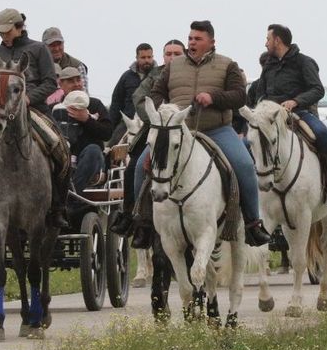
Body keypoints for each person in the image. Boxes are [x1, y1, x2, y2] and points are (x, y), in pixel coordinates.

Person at [144, 20, 270, 247]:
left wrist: (214, 98)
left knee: (243, 165)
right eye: (190, 38)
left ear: (211, 42)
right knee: (140, 166)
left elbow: (240, 96)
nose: (192, 42)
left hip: (216, 129)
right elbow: (156, 92)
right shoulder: (173, 66)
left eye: (197, 39)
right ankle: (141, 223)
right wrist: (161, 113)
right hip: (177, 131)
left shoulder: (228, 65)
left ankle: (252, 224)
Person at [0, 8, 70, 229]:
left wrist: (28, 99)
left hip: (35, 111)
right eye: (0, 32)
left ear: (19, 28)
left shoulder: (38, 49)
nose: (2, 36)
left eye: (6, 31)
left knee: (62, 148)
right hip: (0, 113)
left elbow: (50, 83)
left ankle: (58, 207)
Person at [250, 24, 327, 206]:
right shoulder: (268, 63)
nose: (265, 43)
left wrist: (295, 101)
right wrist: (263, 107)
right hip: (270, 117)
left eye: (268, 39)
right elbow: (260, 92)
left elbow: (317, 89)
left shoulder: (303, 62)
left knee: (324, 136)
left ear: (277, 40)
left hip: (298, 113)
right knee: (248, 142)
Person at [109, 39, 186, 237]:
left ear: (185, 54)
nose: (172, 57)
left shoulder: (193, 72)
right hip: (157, 129)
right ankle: (136, 218)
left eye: (177, 54)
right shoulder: (155, 75)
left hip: (190, 129)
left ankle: (241, 217)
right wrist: (156, 118)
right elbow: (138, 97)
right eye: (168, 54)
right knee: (135, 168)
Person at [53, 88, 113, 194]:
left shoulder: (94, 104)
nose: (76, 84)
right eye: (70, 80)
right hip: (63, 159)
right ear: (62, 84)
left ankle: (70, 197)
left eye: (78, 79)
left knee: (93, 150)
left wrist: (87, 120)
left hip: (90, 161)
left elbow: (107, 133)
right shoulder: (55, 108)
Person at [110, 43, 156, 126]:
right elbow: (117, 102)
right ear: (137, 58)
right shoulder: (127, 77)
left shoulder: (159, 76)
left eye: (149, 57)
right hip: (129, 122)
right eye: (143, 57)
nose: (146, 60)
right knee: (116, 138)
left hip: (153, 123)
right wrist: (111, 127)